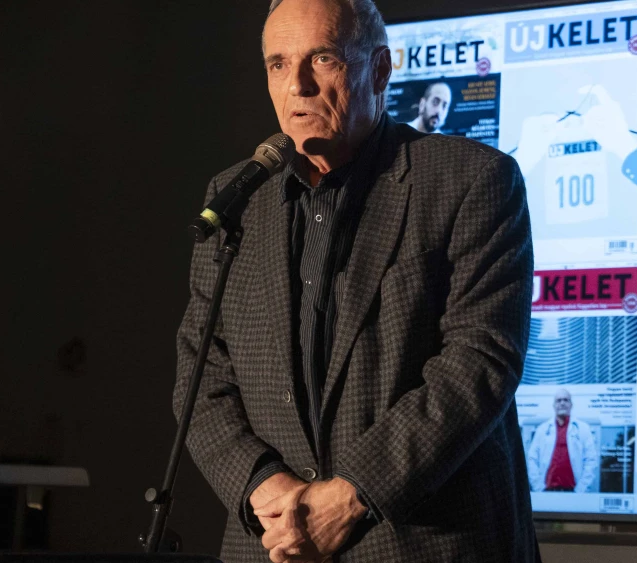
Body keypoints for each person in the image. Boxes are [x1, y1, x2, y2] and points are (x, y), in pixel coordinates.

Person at [174, 0, 536, 561]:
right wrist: (264, 488)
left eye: (323, 59)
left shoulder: (473, 179)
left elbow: (480, 361)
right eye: (277, 64)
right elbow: (201, 378)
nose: (297, 85)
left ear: (380, 69)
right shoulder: (236, 199)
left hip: (419, 544)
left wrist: (350, 498)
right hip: (272, 541)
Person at [526, 389, 599, 493]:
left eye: (566, 400)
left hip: (574, 492)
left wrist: (581, 489)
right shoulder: (542, 429)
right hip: (547, 491)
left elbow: (591, 460)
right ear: (554, 405)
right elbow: (532, 459)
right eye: (558, 400)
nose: (562, 403)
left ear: (571, 405)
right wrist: (538, 487)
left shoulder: (583, 429)